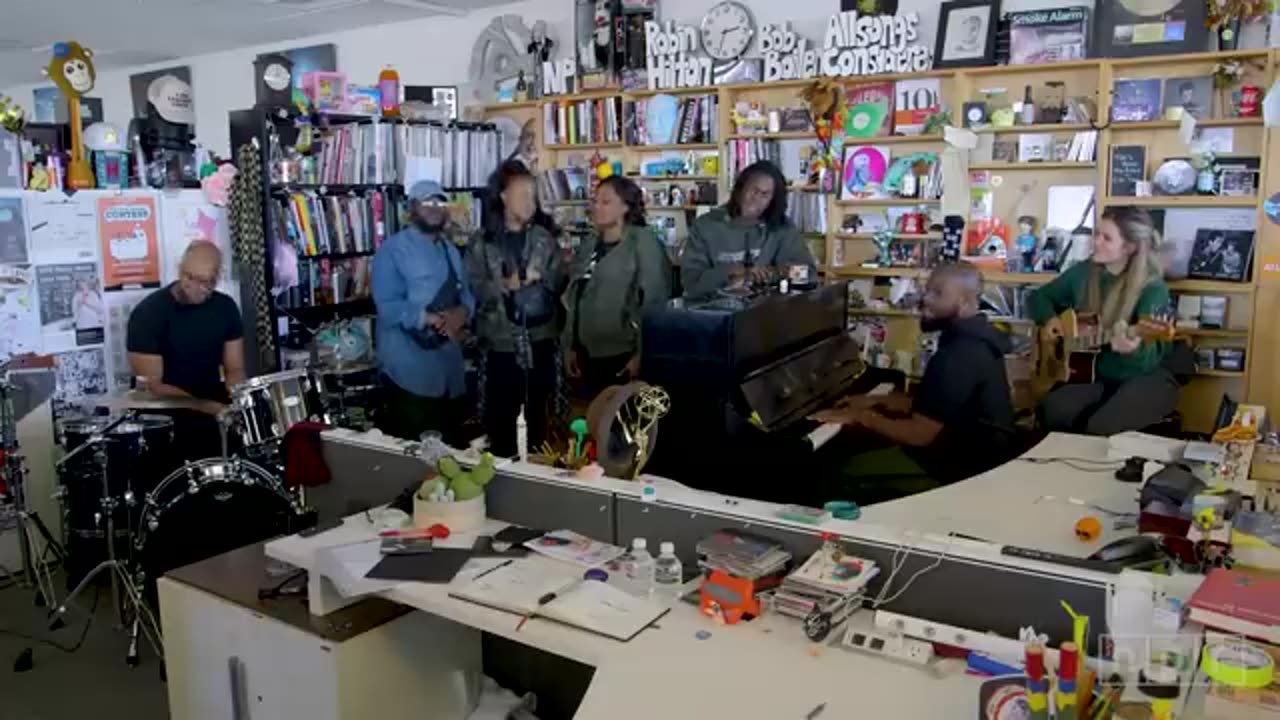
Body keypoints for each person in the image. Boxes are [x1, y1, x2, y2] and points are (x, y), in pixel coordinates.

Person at [811, 263, 1015, 504]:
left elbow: (920, 435)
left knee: (837, 473)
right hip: (965, 454)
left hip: (961, 471)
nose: (924, 299)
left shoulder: (960, 354)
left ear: (963, 302)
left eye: (937, 293)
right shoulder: (974, 338)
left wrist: (861, 416)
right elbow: (940, 405)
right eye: (927, 290)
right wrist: (875, 400)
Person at [1029, 206, 1175, 436]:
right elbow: (1039, 296)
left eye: (1106, 238)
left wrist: (1131, 350)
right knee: (1052, 409)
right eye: (1096, 234)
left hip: (1141, 379)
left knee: (1101, 427)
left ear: (1130, 247)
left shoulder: (1153, 290)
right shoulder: (1084, 272)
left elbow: (1149, 361)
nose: (1095, 241)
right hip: (1093, 374)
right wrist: (1050, 319)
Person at [467, 160, 566, 458]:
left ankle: (541, 486)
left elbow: (559, 281)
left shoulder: (544, 239)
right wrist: (504, 286)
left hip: (541, 341)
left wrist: (541, 280)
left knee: (541, 420)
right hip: (500, 344)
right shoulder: (482, 242)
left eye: (533, 196)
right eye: (522, 194)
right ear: (503, 196)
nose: (529, 202)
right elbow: (475, 287)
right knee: (500, 423)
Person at [371, 179, 474, 443]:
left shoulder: (450, 250)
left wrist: (462, 313)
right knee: (415, 463)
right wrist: (429, 318)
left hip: (450, 373)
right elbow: (387, 307)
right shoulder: (392, 250)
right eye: (427, 202)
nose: (435, 208)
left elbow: (468, 295)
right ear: (412, 208)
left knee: (454, 459)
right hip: (410, 375)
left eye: (440, 201)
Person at [127, 240, 245, 459]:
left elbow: (235, 368)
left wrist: (239, 402)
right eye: (188, 276)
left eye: (205, 282)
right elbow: (152, 386)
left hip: (214, 409)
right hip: (166, 418)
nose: (193, 285)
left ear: (216, 279)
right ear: (180, 270)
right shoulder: (148, 314)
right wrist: (205, 406)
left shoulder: (226, 308)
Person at [564, 176, 670, 402]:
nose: (596, 207)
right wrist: (570, 344)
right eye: (595, 201)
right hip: (587, 352)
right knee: (592, 423)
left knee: (622, 424)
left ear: (625, 206)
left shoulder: (642, 243)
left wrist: (642, 354)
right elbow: (576, 296)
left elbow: (654, 301)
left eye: (606, 202)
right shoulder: (590, 243)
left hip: (622, 353)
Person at [680, 160, 816, 298]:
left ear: (772, 200)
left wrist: (775, 273)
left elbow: (809, 275)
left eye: (764, 195)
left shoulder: (782, 228)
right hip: (713, 313)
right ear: (740, 189)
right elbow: (690, 282)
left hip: (764, 313)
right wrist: (731, 273)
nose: (756, 198)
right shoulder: (705, 226)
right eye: (753, 190)